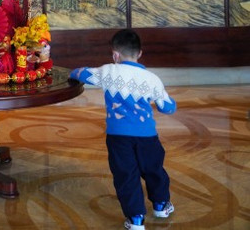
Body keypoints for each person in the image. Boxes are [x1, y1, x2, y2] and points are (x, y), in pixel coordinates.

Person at [69, 29, 176, 230]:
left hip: (118, 137)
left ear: (115, 54)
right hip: (147, 137)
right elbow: (168, 107)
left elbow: (81, 73)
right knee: (153, 169)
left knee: (126, 175)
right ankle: (161, 205)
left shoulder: (108, 71)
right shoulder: (152, 78)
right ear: (140, 53)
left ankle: (136, 219)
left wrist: (72, 73)